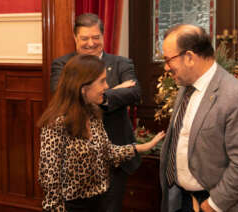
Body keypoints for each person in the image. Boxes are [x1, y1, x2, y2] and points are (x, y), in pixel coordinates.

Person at [38, 54, 165, 212]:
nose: (107, 86)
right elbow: (49, 178)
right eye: (102, 81)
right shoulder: (57, 124)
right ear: (83, 88)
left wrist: (140, 147)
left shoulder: (93, 114)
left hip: (101, 202)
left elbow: (107, 151)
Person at [159, 24, 238, 212]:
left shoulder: (237, 96)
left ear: (189, 57)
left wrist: (212, 205)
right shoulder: (185, 86)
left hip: (217, 204)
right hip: (182, 200)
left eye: (168, 59)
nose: (166, 67)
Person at [50, 13, 141, 212]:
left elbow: (134, 92)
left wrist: (96, 96)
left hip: (115, 158)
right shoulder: (62, 65)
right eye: (84, 38)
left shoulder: (121, 63)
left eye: (96, 37)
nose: (91, 43)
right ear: (75, 38)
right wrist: (114, 91)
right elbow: (64, 99)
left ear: (103, 36)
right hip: (76, 161)